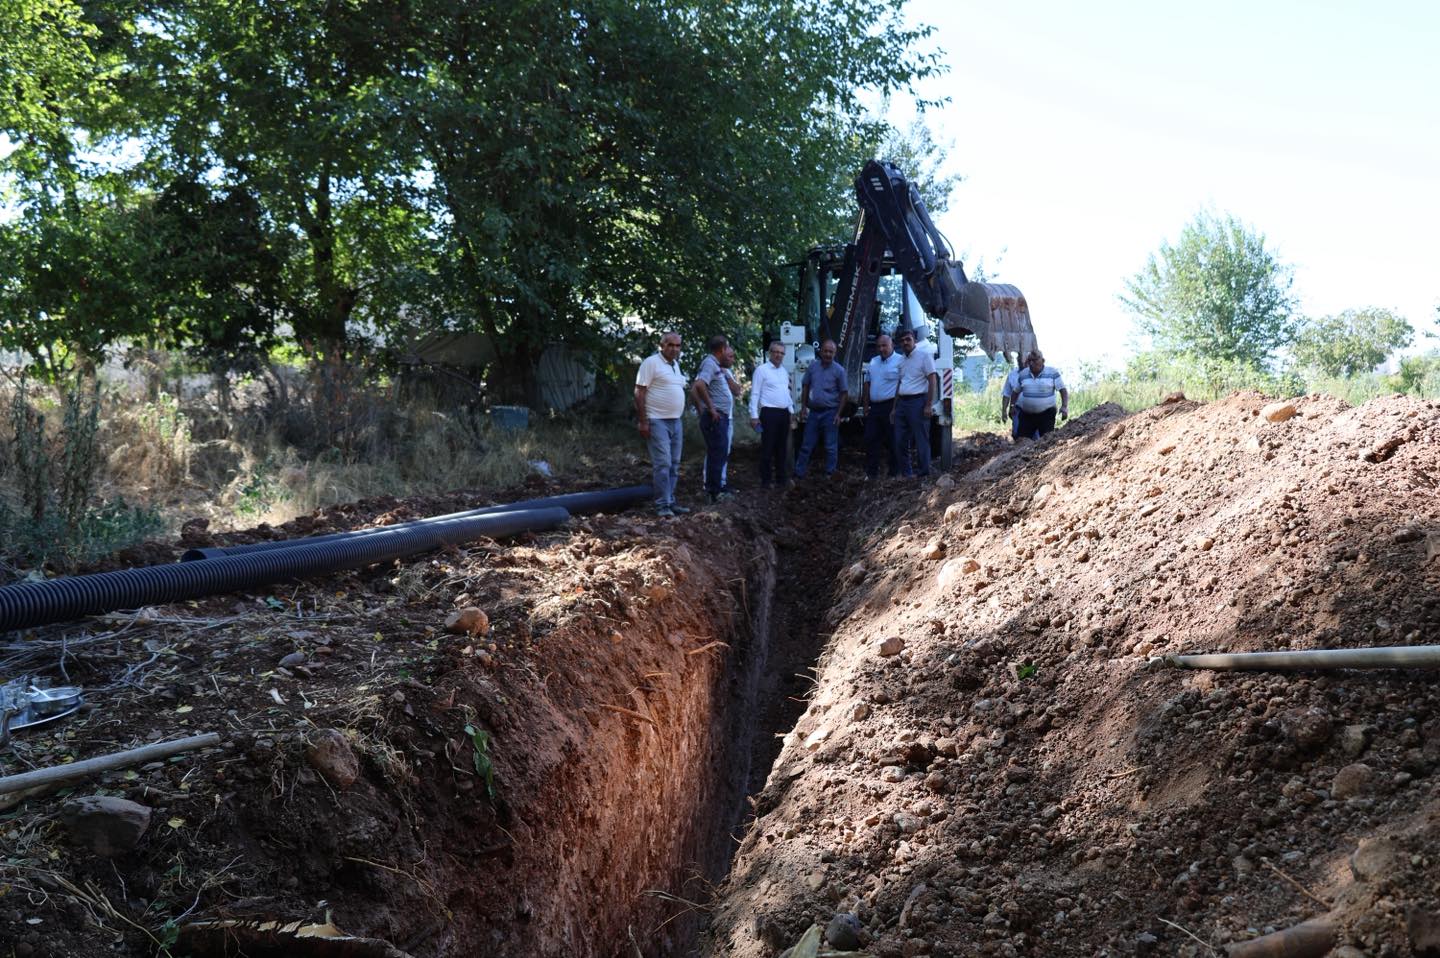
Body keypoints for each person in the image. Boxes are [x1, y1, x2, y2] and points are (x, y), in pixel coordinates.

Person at [634, 331, 691, 517]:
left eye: (678, 345)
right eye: (670, 345)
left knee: (674, 463)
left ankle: (670, 501)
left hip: (676, 421)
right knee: (663, 463)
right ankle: (662, 506)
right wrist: (643, 421)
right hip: (656, 420)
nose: (674, 349)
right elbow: (639, 392)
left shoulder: (676, 365)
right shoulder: (651, 363)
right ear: (662, 345)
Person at [691, 334, 739, 503]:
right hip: (716, 418)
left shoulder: (716, 366)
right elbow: (698, 385)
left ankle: (716, 489)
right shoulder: (710, 363)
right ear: (722, 349)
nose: (728, 353)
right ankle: (714, 492)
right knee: (717, 454)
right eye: (727, 349)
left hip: (720, 417)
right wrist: (709, 408)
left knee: (718, 453)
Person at [793, 339, 847, 479]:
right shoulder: (812, 368)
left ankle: (830, 473)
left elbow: (844, 393)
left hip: (831, 413)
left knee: (830, 446)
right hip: (814, 413)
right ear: (820, 351)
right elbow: (805, 386)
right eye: (825, 351)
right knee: (806, 445)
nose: (828, 354)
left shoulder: (839, 371)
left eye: (831, 352)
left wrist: (839, 414)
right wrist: (804, 407)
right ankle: (799, 473)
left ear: (835, 353)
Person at [892, 329, 938, 477]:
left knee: (921, 440)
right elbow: (900, 383)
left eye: (908, 339)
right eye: (902, 340)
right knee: (899, 440)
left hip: (918, 402)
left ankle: (924, 473)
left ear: (914, 341)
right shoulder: (901, 360)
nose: (905, 342)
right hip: (902, 404)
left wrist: (928, 404)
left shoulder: (924, 357)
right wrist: (894, 408)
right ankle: (907, 473)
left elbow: (932, 379)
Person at [748, 341, 794, 489]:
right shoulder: (761, 370)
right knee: (768, 448)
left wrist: (791, 411)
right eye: (776, 352)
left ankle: (781, 480)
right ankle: (766, 481)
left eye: (781, 353)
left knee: (782, 448)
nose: (778, 355)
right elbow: (754, 393)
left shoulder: (784, 371)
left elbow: (787, 393)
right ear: (770, 353)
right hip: (769, 413)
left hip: (783, 413)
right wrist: (754, 415)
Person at [862, 333, 902, 479]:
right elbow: (867, 383)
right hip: (875, 408)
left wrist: (896, 408)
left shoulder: (900, 361)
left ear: (892, 345)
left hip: (891, 406)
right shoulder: (873, 362)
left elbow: (901, 385)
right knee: (870, 438)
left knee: (893, 440)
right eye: (879, 346)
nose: (881, 349)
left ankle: (894, 472)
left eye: (884, 345)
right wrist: (866, 405)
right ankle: (871, 473)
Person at [1013, 350, 1069, 439]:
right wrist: (1012, 406)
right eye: (1029, 360)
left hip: (1046, 414)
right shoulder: (1023, 374)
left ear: (1042, 361)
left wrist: (1064, 407)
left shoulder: (1052, 373)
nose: (1031, 363)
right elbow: (1015, 392)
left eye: (1034, 360)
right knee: (1021, 440)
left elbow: (1063, 390)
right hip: (1027, 415)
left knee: (1046, 440)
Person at [719, 345, 741, 492]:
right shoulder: (709, 369)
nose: (733, 359)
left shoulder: (727, 371)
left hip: (729, 418)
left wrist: (726, 374)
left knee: (725, 451)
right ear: (720, 355)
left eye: (733, 356)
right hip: (717, 418)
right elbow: (698, 388)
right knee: (716, 451)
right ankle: (713, 483)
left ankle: (722, 481)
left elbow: (737, 391)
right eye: (730, 356)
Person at [999, 361, 1023, 441]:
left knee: (1035, 435)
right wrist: (1004, 411)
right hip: (1017, 408)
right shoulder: (1012, 375)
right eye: (1020, 359)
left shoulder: (1035, 373)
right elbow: (1006, 394)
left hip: (1034, 408)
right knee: (1016, 433)